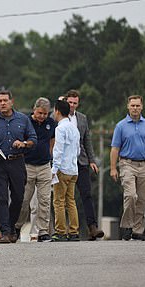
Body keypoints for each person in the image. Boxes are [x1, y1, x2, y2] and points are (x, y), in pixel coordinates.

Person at [0, 89, 37, 244]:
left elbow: (33, 139)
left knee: (19, 197)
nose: (2, 103)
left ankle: (11, 228)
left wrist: (23, 143)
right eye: (0, 101)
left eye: (5, 100)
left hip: (17, 161)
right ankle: (5, 232)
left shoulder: (23, 119)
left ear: (12, 101)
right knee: (1, 198)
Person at [110, 95, 145, 241]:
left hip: (144, 164)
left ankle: (137, 230)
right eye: (132, 106)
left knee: (142, 199)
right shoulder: (121, 126)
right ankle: (127, 226)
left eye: (137, 106)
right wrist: (113, 168)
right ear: (128, 107)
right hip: (127, 164)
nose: (135, 108)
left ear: (142, 107)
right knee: (131, 195)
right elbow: (115, 149)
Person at [64, 89, 105, 240]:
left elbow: (87, 140)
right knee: (64, 197)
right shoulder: (58, 117)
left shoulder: (82, 118)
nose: (72, 106)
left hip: (80, 161)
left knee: (86, 194)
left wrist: (92, 160)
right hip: (64, 163)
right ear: (65, 101)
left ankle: (92, 227)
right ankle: (63, 229)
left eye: (75, 103)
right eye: (70, 103)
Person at [14, 97, 55, 243]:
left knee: (44, 200)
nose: (42, 116)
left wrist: (50, 156)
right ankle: (16, 227)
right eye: (40, 113)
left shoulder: (51, 123)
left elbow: (52, 141)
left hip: (44, 166)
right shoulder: (25, 122)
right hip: (27, 165)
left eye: (45, 114)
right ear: (34, 110)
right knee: (24, 200)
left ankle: (43, 231)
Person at [51, 99, 81, 242]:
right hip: (73, 169)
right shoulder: (74, 128)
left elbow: (58, 150)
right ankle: (74, 231)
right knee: (71, 201)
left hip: (62, 169)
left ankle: (61, 231)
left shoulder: (60, 128)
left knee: (58, 201)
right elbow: (78, 150)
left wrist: (54, 169)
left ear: (57, 111)